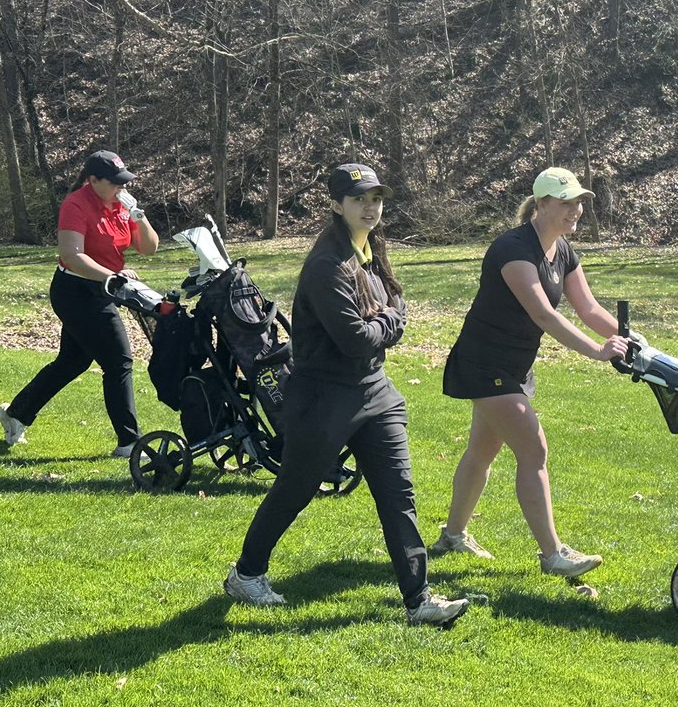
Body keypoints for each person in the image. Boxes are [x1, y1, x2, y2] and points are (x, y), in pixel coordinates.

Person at [223, 163, 468, 627]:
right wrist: (390, 320)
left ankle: (419, 601)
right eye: (358, 199)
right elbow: (357, 338)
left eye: (376, 198)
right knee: (295, 489)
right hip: (323, 398)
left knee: (398, 494)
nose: (370, 207)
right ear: (337, 205)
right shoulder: (326, 266)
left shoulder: (372, 250)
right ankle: (247, 574)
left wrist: (387, 319)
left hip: (376, 392)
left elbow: (393, 306)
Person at [433, 167, 630, 578]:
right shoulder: (513, 249)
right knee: (534, 450)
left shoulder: (563, 250)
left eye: (579, 202)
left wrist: (632, 339)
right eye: (566, 202)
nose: (575, 210)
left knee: (482, 451)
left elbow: (589, 308)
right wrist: (597, 352)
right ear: (541, 204)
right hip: (484, 363)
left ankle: (451, 536)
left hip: (515, 366)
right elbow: (543, 314)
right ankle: (553, 555)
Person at [0, 150, 160, 457]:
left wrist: (138, 214)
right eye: (114, 182)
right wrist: (113, 275)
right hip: (74, 291)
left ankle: (16, 413)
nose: (121, 187)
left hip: (103, 289)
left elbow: (148, 248)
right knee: (119, 360)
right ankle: (129, 442)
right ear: (93, 180)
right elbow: (72, 256)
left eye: (124, 181)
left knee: (72, 361)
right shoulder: (76, 204)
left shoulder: (122, 206)